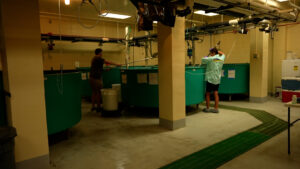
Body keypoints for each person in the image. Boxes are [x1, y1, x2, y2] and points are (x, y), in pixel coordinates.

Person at [90, 48, 120, 112]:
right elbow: (107, 62)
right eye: (101, 52)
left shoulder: (94, 59)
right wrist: (117, 64)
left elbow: (97, 68)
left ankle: (93, 107)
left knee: (94, 92)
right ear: (100, 53)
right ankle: (98, 107)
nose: (102, 54)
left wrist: (105, 70)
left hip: (92, 78)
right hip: (96, 79)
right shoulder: (98, 58)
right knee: (98, 92)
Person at [201, 47, 225, 113]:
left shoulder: (210, 58)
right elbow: (223, 54)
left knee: (208, 93)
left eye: (211, 53)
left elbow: (202, 59)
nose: (210, 54)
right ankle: (216, 108)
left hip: (210, 79)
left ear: (213, 53)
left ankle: (208, 108)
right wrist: (218, 52)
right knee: (216, 93)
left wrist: (207, 56)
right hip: (217, 79)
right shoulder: (221, 58)